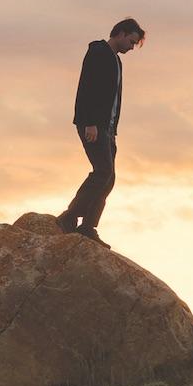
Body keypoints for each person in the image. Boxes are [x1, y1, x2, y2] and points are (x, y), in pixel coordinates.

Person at [55, 18, 145, 248]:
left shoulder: (116, 61)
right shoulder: (98, 51)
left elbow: (113, 99)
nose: (132, 47)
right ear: (121, 33)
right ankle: (69, 216)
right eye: (131, 42)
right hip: (92, 124)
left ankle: (88, 226)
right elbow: (88, 86)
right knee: (102, 172)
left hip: (107, 127)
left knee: (109, 176)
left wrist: (112, 130)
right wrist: (91, 123)